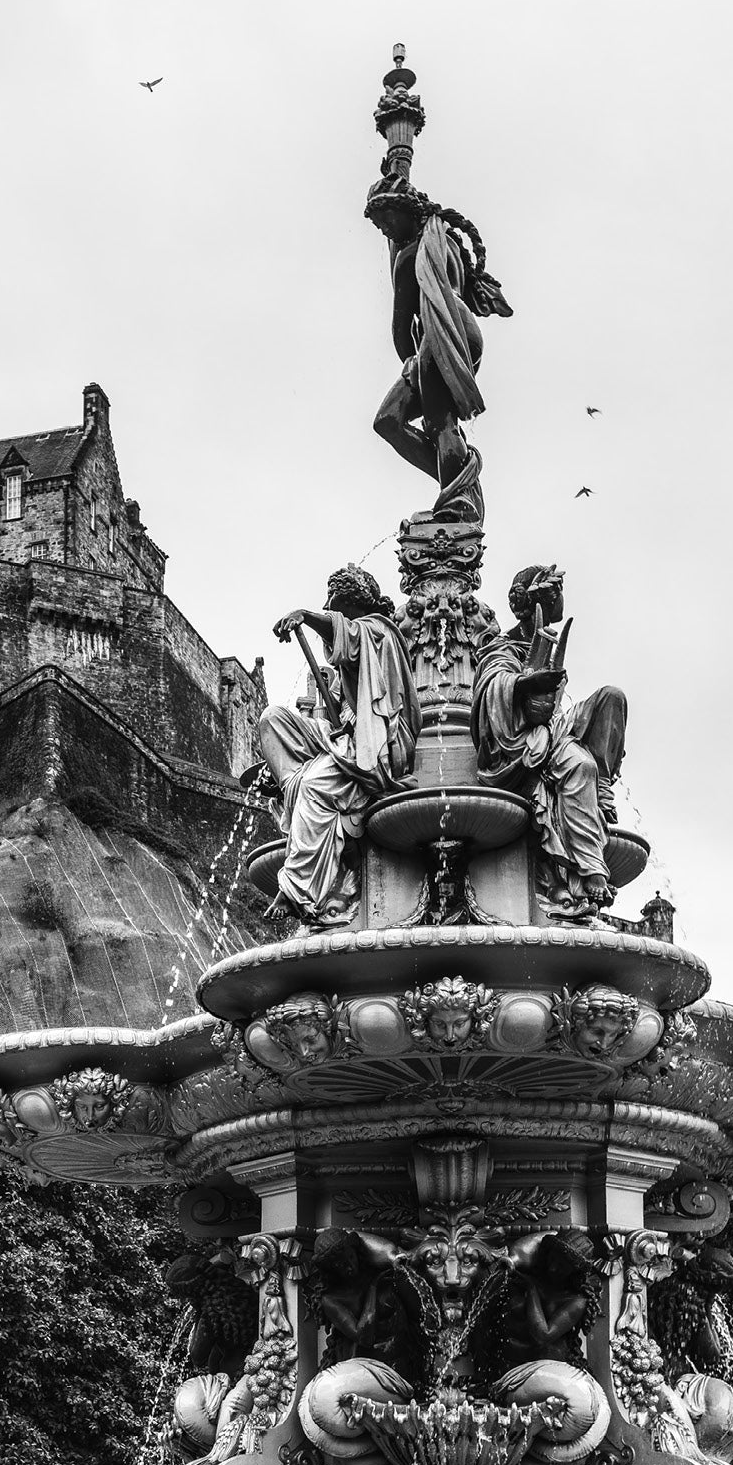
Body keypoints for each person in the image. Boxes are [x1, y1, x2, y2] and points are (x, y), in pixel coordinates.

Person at [255, 566, 420, 935]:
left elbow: (349, 632)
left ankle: (296, 890)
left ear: (351, 604)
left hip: (379, 746)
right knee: (273, 719)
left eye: (334, 600)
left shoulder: (381, 632)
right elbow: (347, 712)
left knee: (315, 785)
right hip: (346, 736)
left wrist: (306, 615)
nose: (328, 604)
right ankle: (292, 784)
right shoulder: (354, 656)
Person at [470, 562, 628, 918]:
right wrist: (526, 684)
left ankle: (602, 785)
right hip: (523, 739)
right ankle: (590, 870)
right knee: (578, 765)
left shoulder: (546, 639)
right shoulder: (504, 645)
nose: (560, 600)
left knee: (611, 698)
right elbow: (491, 690)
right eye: (554, 593)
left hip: (554, 726)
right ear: (534, 601)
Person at [371, 201, 511, 514]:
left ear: (405, 212)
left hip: (439, 332)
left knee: (439, 421)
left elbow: (401, 323)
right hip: (463, 332)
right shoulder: (444, 242)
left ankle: (459, 498)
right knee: (389, 422)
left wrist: (410, 361)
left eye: (386, 220)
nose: (385, 229)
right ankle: (459, 483)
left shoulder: (413, 254)